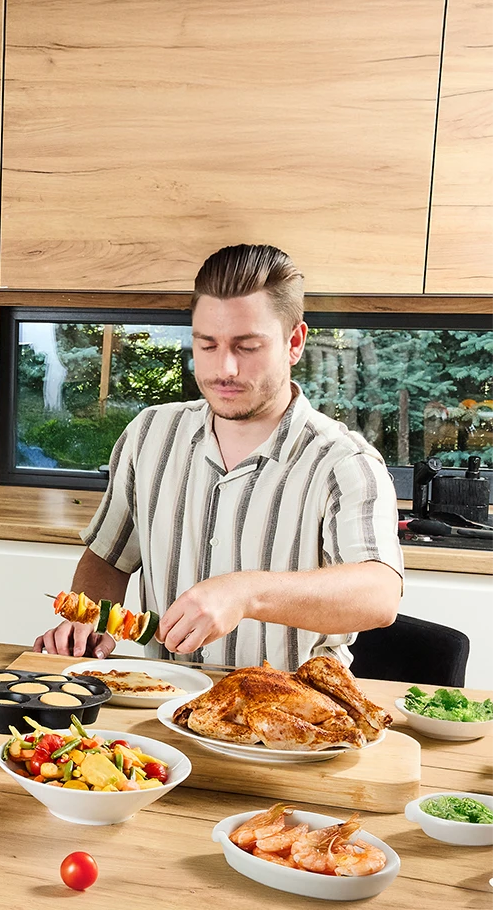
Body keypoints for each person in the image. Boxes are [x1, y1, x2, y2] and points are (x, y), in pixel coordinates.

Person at [34, 243, 403, 672]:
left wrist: (246, 593)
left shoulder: (344, 462)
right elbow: (108, 558)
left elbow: (379, 594)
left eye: (247, 346)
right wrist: (89, 621)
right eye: (207, 345)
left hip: (294, 706)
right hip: (164, 697)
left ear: (294, 342)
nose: (224, 368)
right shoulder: (149, 434)